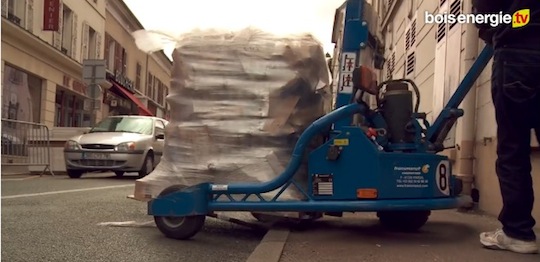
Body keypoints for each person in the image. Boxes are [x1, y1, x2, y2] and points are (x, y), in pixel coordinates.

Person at [472, 0, 540, 254]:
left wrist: (495, 31)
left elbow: (484, 10)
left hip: (518, 48)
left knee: (513, 149)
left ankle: (518, 232)